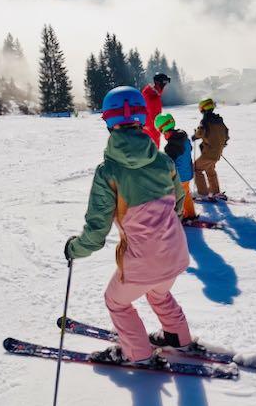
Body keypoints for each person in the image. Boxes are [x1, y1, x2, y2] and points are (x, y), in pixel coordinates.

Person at [64, 86, 194, 366]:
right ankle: (178, 337)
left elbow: (97, 231)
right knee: (158, 291)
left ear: (108, 122)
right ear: (143, 118)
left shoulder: (108, 171)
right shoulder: (163, 161)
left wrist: (75, 248)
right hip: (176, 252)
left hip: (142, 262)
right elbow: (178, 202)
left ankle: (138, 353)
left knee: (117, 301)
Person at [155, 112, 197, 220]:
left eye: (162, 132)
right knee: (186, 194)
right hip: (188, 173)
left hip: (179, 177)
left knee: (177, 197)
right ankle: (191, 215)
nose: (163, 136)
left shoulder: (171, 146)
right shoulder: (184, 138)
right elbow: (188, 151)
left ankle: (179, 217)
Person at [192, 97, 229, 200]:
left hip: (209, 153)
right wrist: (221, 144)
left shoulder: (205, 121)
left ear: (203, 108)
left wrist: (195, 136)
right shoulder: (219, 120)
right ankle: (215, 191)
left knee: (196, 168)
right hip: (217, 152)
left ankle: (203, 193)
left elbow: (200, 132)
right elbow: (226, 134)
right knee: (210, 169)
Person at [141, 73, 171, 146]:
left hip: (148, 130)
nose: (165, 86)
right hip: (151, 132)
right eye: (165, 83)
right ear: (159, 83)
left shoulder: (150, 93)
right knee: (153, 155)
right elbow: (155, 119)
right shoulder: (153, 98)